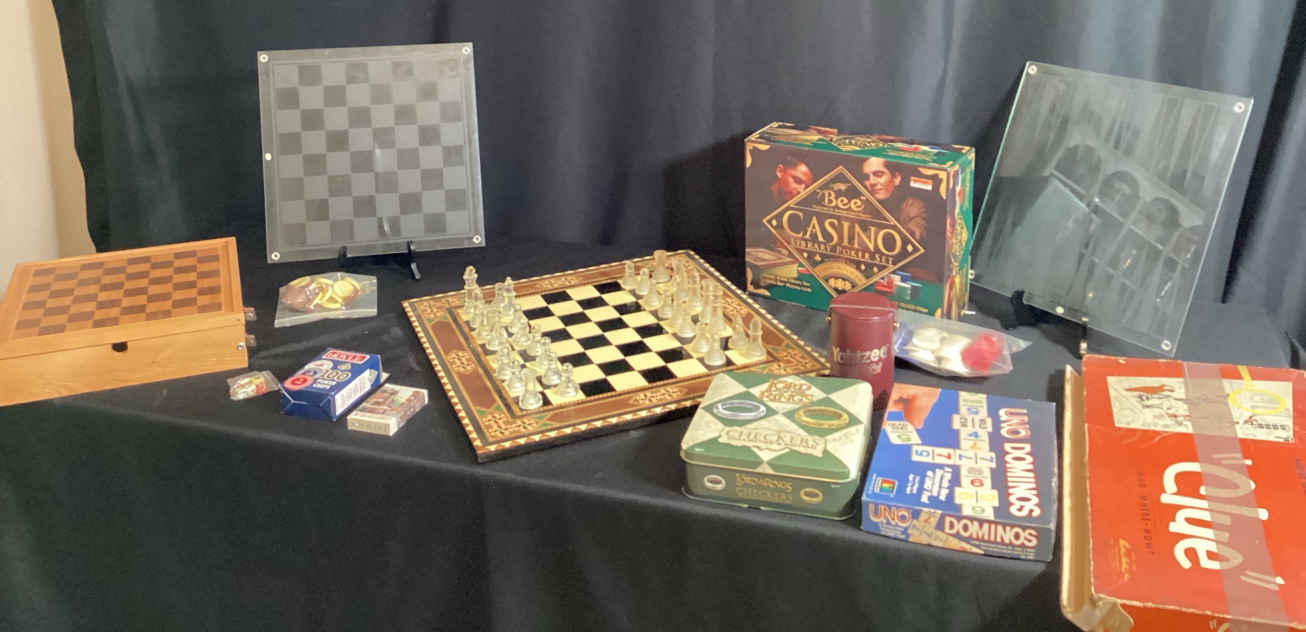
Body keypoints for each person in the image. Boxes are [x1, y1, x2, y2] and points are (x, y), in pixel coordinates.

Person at [861, 157, 938, 282]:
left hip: (908, 274)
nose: (872, 182)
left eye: (878, 175)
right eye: (866, 177)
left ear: (896, 178)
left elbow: (914, 235)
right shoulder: (861, 206)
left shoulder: (914, 206)